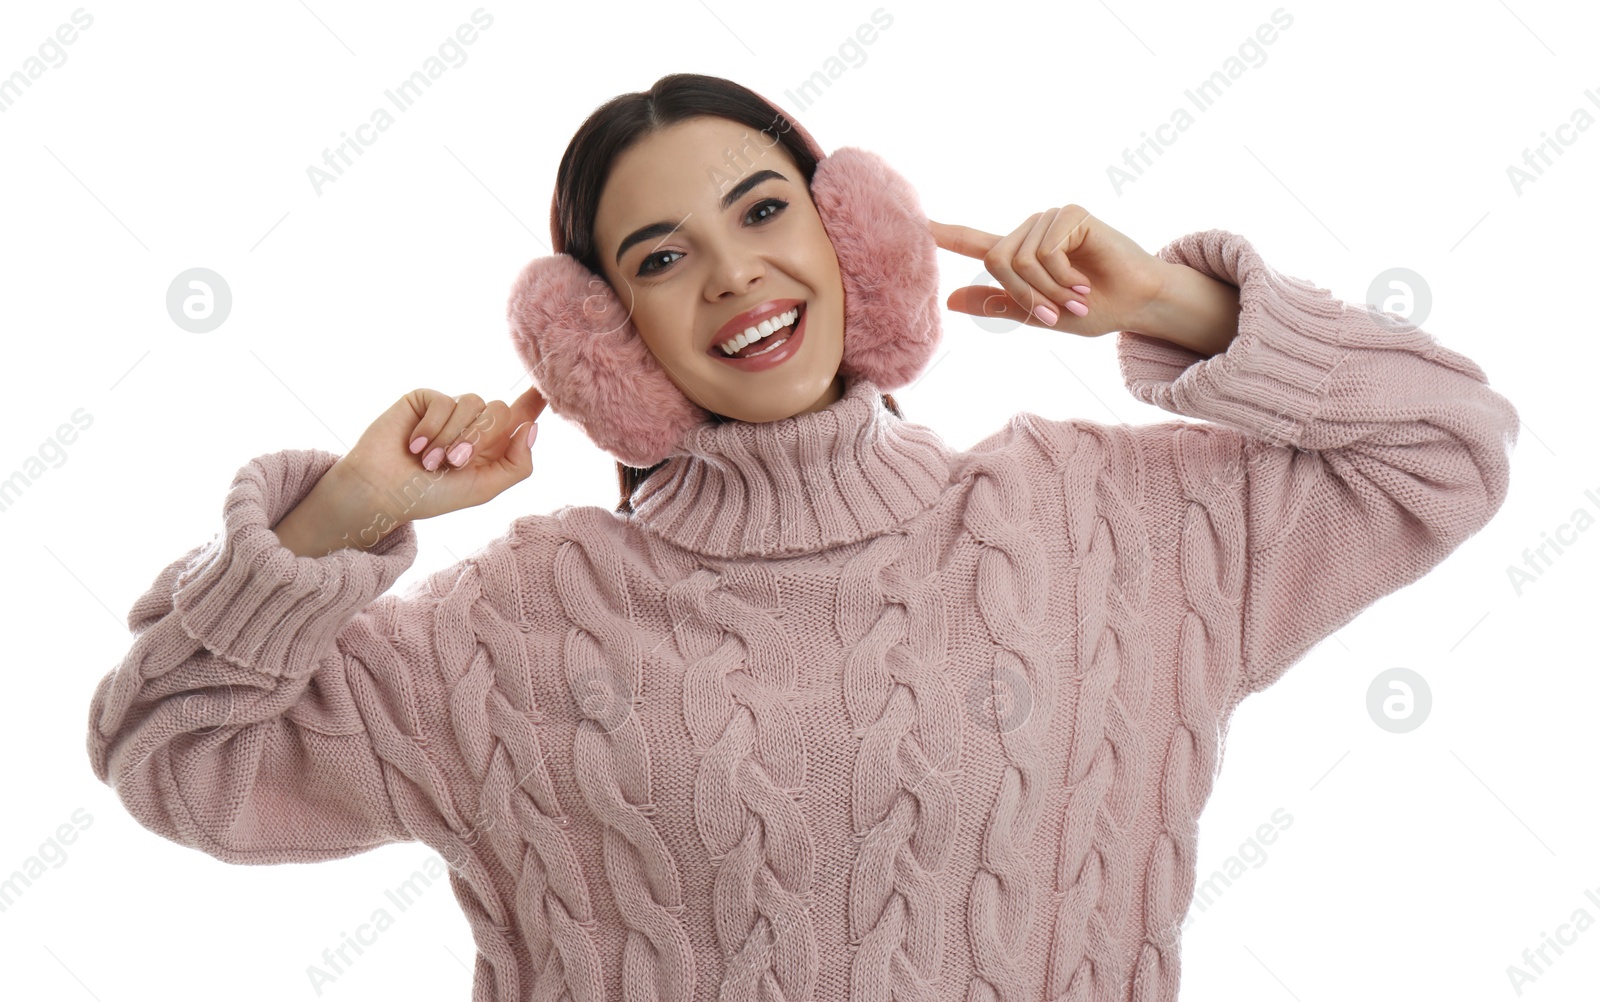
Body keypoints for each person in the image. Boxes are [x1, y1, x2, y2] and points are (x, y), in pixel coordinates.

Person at [85, 72, 1519, 1002]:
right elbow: (171, 753)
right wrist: (343, 518)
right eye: (660, 258)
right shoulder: (516, 625)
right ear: (602, 339)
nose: (734, 275)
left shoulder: (1102, 533)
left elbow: (1444, 442)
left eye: (765, 210)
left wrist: (1168, 303)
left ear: (856, 239)